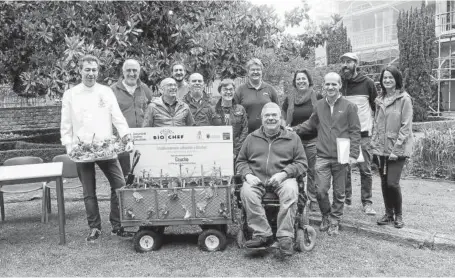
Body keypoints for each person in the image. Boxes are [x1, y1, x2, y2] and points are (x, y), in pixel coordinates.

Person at [60, 55, 133, 242]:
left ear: (98, 71)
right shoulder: (71, 94)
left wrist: (126, 136)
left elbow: (117, 117)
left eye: (94, 70)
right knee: (89, 192)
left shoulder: (106, 91)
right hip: (82, 150)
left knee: (119, 186)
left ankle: (117, 226)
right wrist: (69, 146)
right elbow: (66, 123)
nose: (91, 73)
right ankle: (94, 228)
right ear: (80, 71)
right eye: (87, 69)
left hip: (105, 148)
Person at [293, 72, 361, 236]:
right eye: (327, 84)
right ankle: (326, 215)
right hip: (322, 154)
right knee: (320, 190)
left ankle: (335, 221)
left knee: (339, 192)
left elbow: (355, 132)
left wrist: (353, 154)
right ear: (323, 86)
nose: (330, 87)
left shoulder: (349, 107)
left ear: (339, 86)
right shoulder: (319, 106)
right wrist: (292, 130)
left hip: (342, 155)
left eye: (334, 84)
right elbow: (310, 124)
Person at [236, 102, 308, 256]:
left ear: (280, 118)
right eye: (267, 115)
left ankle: (285, 236)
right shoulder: (251, 138)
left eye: (274, 115)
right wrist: (248, 175)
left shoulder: (292, 138)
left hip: (283, 178)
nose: (271, 118)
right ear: (261, 118)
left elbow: (302, 163)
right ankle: (262, 234)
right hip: (257, 178)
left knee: (290, 190)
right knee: (247, 192)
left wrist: (284, 174)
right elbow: (241, 161)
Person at [371, 66, 413, 229]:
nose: (387, 80)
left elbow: (406, 126)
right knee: (383, 181)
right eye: (385, 78)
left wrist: (396, 150)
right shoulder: (379, 100)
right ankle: (389, 214)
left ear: (397, 80)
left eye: (390, 77)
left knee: (392, 183)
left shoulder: (404, 99)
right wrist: (374, 146)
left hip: (398, 148)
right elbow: (377, 124)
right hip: (381, 148)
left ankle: (399, 215)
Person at [340, 52, 378, 215]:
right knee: (344, 169)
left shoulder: (368, 83)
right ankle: (346, 200)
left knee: (365, 170)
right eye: (343, 62)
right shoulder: (340, 83)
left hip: (363, 135)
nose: (345, 65)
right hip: (344, 134)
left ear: (356, 63)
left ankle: (367, 202)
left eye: (349, 62)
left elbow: (376, 108)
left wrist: (374, 130)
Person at [282, 69, 322, 212]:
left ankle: (313, 199)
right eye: (298, 79)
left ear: (309, 80)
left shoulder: (317, 97)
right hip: (293, 141)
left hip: (312, 140)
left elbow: (316, 119)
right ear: (295, 82)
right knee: (295, 171)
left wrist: (295, 129)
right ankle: (298, 197)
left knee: (312, 171)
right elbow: (283, 116)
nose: (301, 81)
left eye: (303, 78)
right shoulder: (289, 98)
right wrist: (284, 127)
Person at [111, 59, 153, 177]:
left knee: (143, 174)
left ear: (139, 72)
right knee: (122, 177)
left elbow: (152, 110)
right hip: (121, 142)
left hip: (143, 140)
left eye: (135, 70)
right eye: (128, 70)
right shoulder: (113, 90)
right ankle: (118, 196)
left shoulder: (145, 89)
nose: (132, 73)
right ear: (123, 72)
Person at [234, 58, 280, 133]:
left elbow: (278, 112)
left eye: (258, 69)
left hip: (267, 133)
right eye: (252, 70)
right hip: (246, 134)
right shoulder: (240, 90)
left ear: (262, 72)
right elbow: (233, 112)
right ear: (248, 72)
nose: (255, 72)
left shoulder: (270, 89)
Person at [213, 79, 248, 160]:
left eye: (231, 89)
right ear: (220, 92)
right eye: (225, 89)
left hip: (237, 151)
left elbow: (244, 131)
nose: (228, 92)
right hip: (217, 150)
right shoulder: (212, 110)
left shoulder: (240, 109)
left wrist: (236, 151)